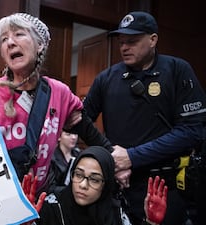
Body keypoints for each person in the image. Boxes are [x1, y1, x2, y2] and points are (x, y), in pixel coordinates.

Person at [0, 13, 112, 195]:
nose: (10, 42)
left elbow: (90, 133)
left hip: (41, 198)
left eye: (19, 34)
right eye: (4, 39)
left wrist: (117, 162)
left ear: (40, 45)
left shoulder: (59, 92)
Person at [83, 11, 206, 225]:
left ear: (153, 40)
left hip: (165, 185)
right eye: (121, 42)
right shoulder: (106, 78)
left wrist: (132, 157)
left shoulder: (177, 70)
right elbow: (81, 122)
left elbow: (192, 131)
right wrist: (111, 160)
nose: (124, 47)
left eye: (132, 41)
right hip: (118, 185)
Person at [33, 146, 167, 225]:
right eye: (79, 175)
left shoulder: (115, 213)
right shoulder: (52, 206)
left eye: (94, 180)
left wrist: (151, 223)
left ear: (106, 184)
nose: (83, 185)